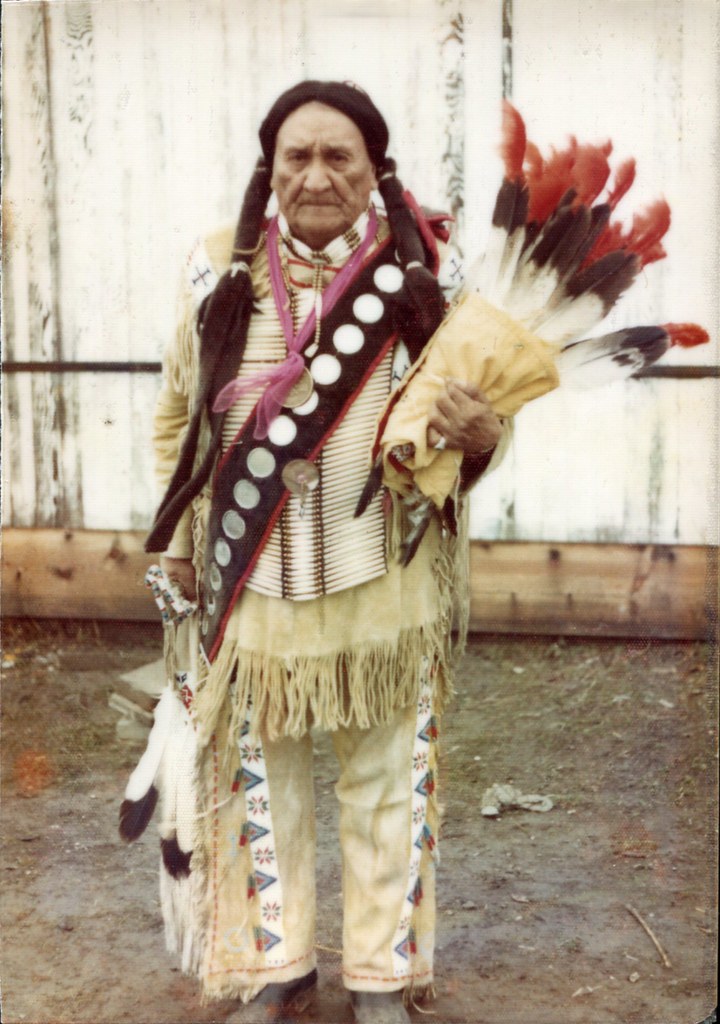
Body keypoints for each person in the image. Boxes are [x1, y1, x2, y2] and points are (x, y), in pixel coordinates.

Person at [145, 80, 503, 1024]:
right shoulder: (214, 276)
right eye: (295, 156)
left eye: (337, 156)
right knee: (262, 780)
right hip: (251, 582)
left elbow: (481, 422)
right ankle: (279, 965)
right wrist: (181, 546)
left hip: (384, 581)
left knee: (390, 783)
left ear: (373, 169)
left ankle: (382, 977)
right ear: (271, 170)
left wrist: (482, 435)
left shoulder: (430, 276)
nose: (315, 175)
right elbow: (179, 420)